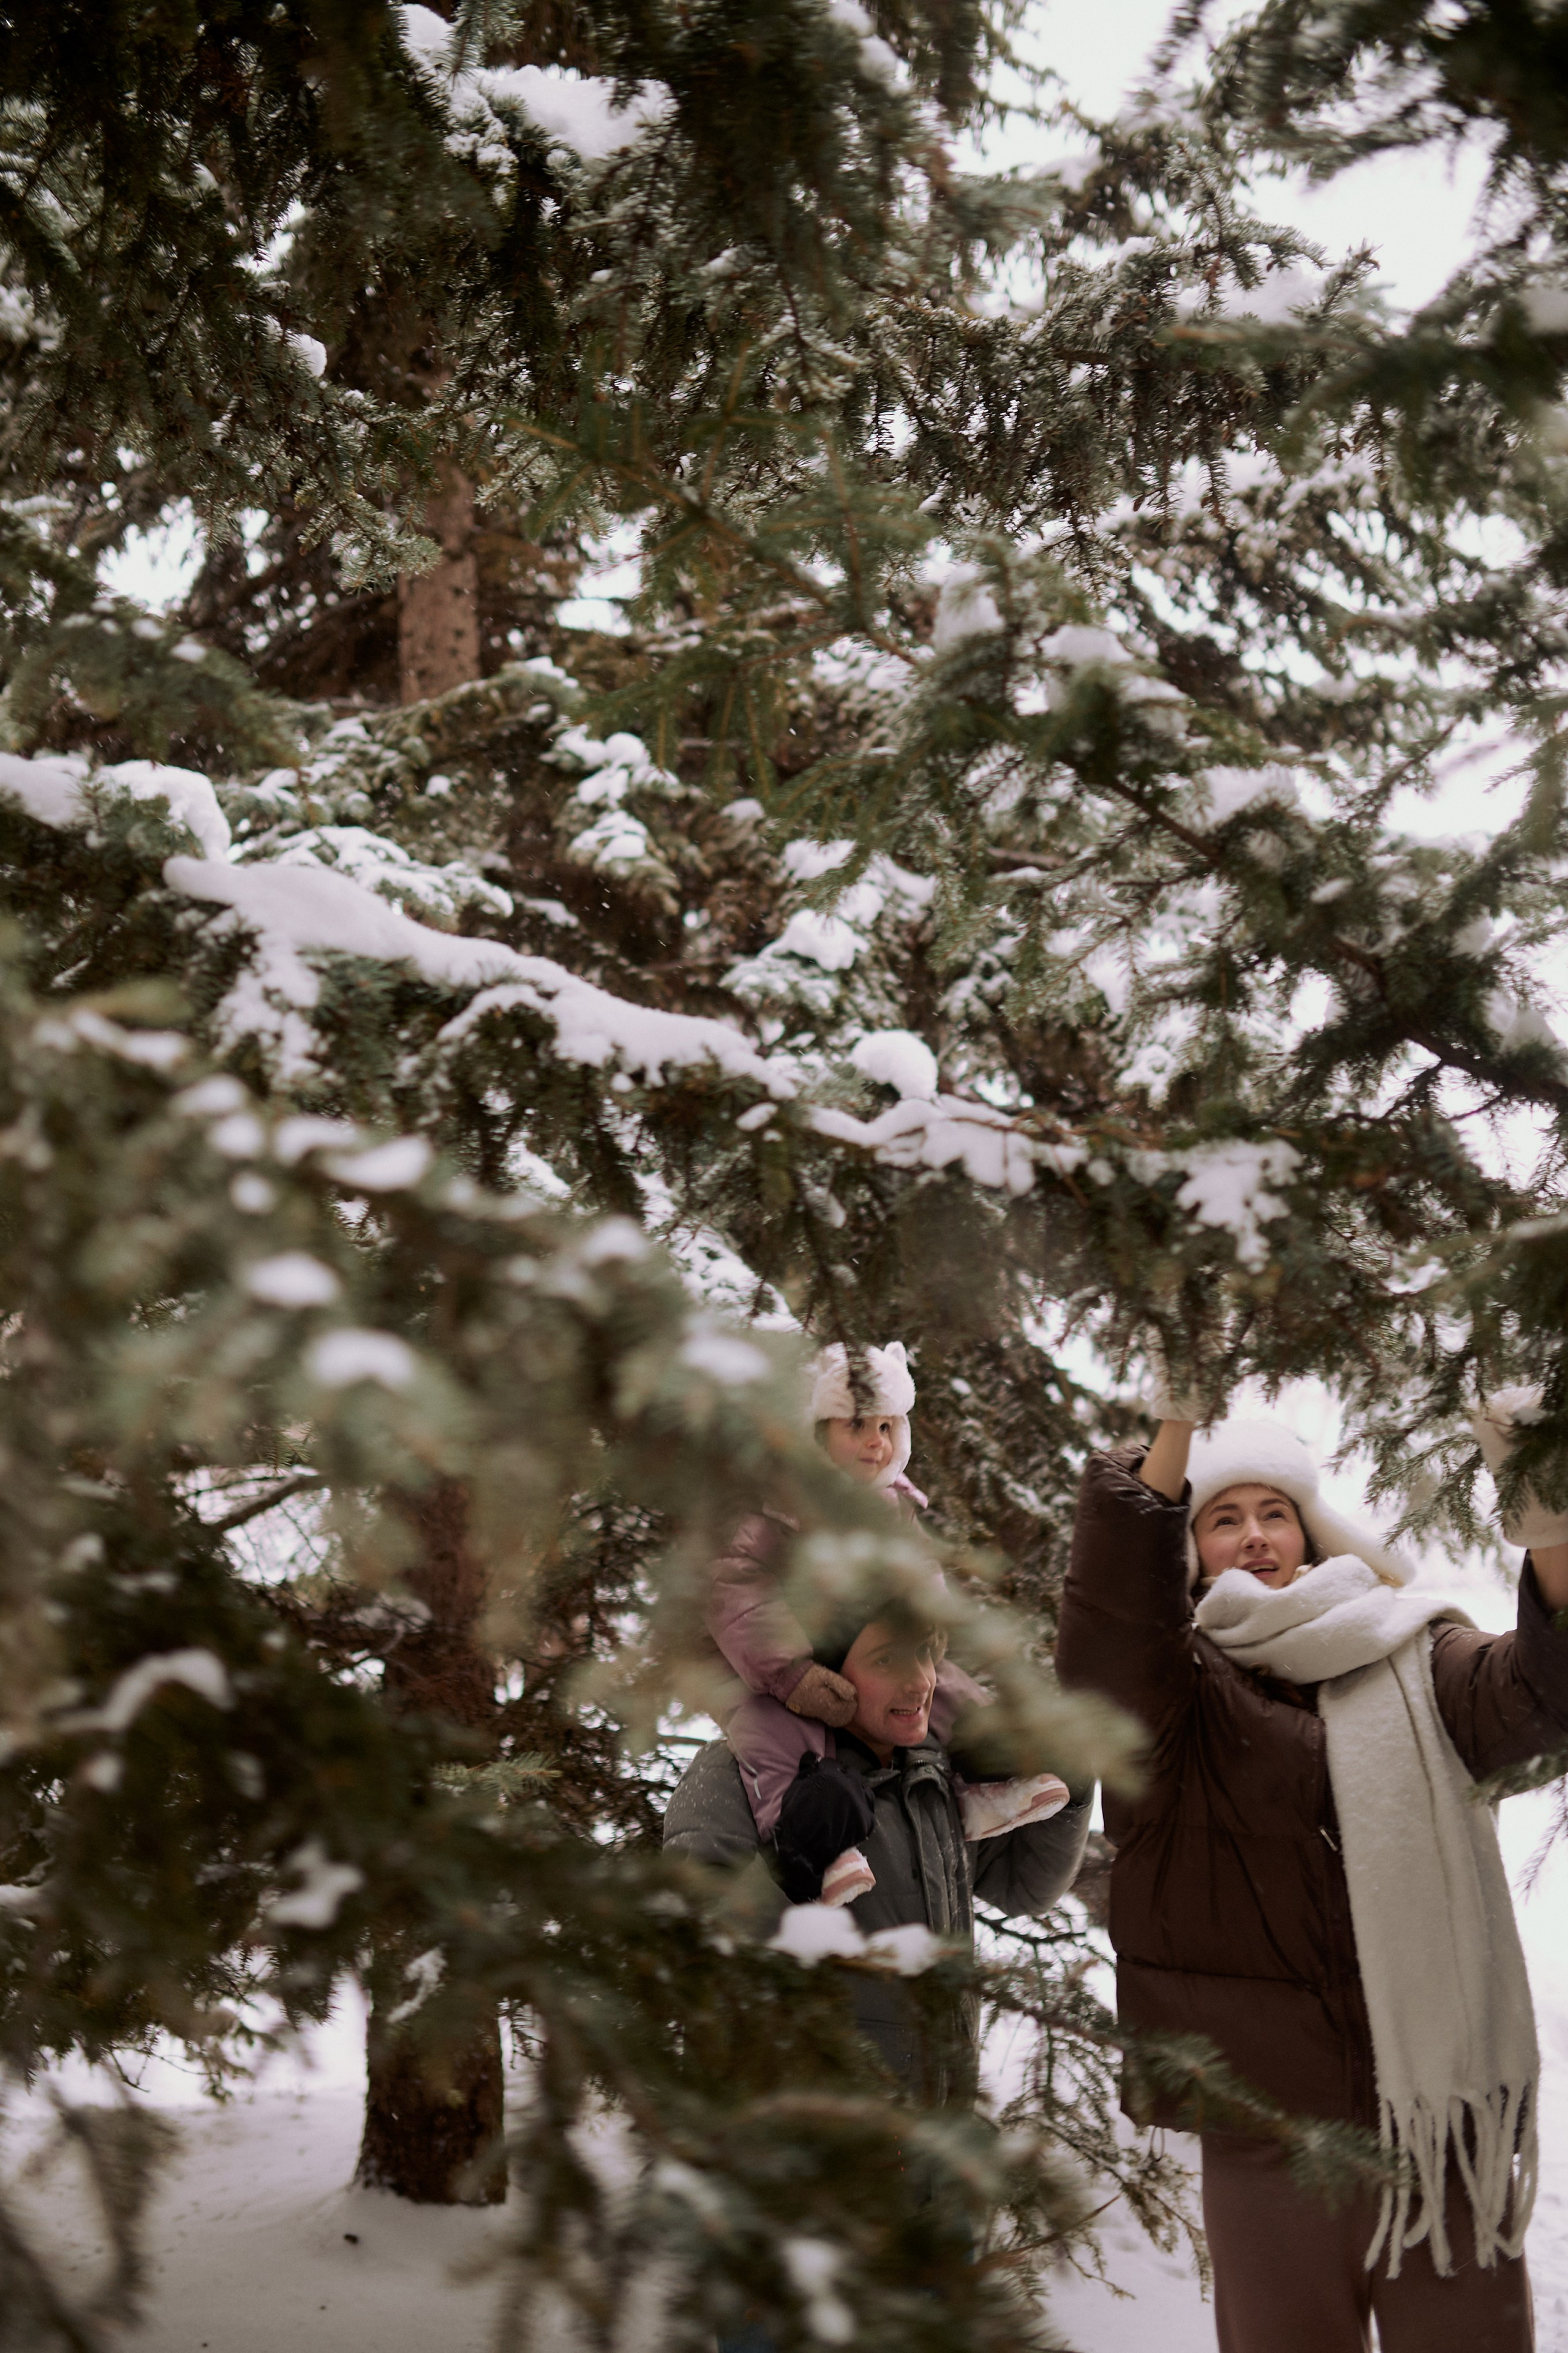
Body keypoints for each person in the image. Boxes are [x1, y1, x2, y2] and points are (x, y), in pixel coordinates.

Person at [1055, 1389, 1568, 2353]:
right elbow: (1110, 1635)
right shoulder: (1170, 1696)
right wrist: (1175, 1428)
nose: (1255, 1534)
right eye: (1224, 1517)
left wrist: (1550, 1526)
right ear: (1187, 1548)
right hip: (1269, 2132)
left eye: (1274, 1512)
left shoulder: (1413, 1652)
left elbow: (1542, 1696)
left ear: (1309, 1532)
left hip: (1438, 2127)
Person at [704, 1341, 1068, 1905]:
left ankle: (981, 1783)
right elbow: (737, 1594)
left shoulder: (892, 1504)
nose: (877, 1443)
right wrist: (789, 1673)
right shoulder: (776, 1505)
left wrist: (930, 1629)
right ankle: (809, 1844)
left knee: (946, 1689)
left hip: (872, 1658)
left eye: (887, 1426)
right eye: (857, 1425)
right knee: (775, 1734)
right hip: (779, 1672)